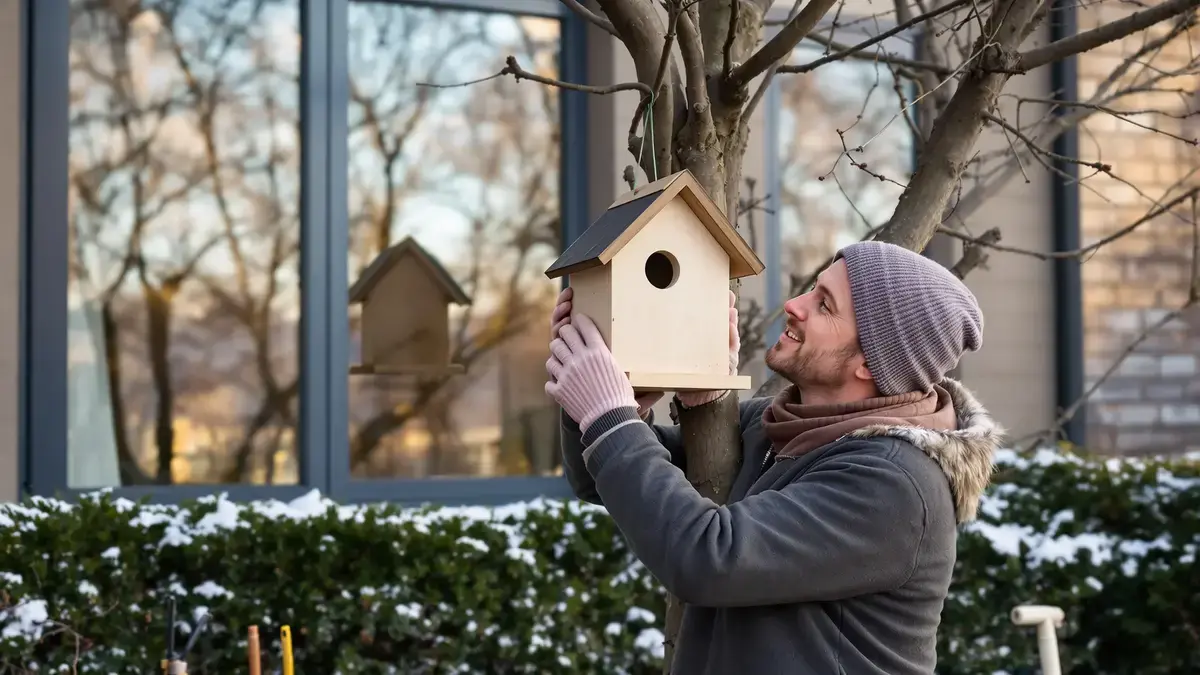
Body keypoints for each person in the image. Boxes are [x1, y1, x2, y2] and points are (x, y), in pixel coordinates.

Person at [544, 240, 1004, 675]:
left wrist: (611, 416)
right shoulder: (774, 426)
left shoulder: (894, 483)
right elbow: (603, 479)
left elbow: (707, 557)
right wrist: (624, 398)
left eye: (824, 305)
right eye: (813, 288)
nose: (794, 305)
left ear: (870, 363)